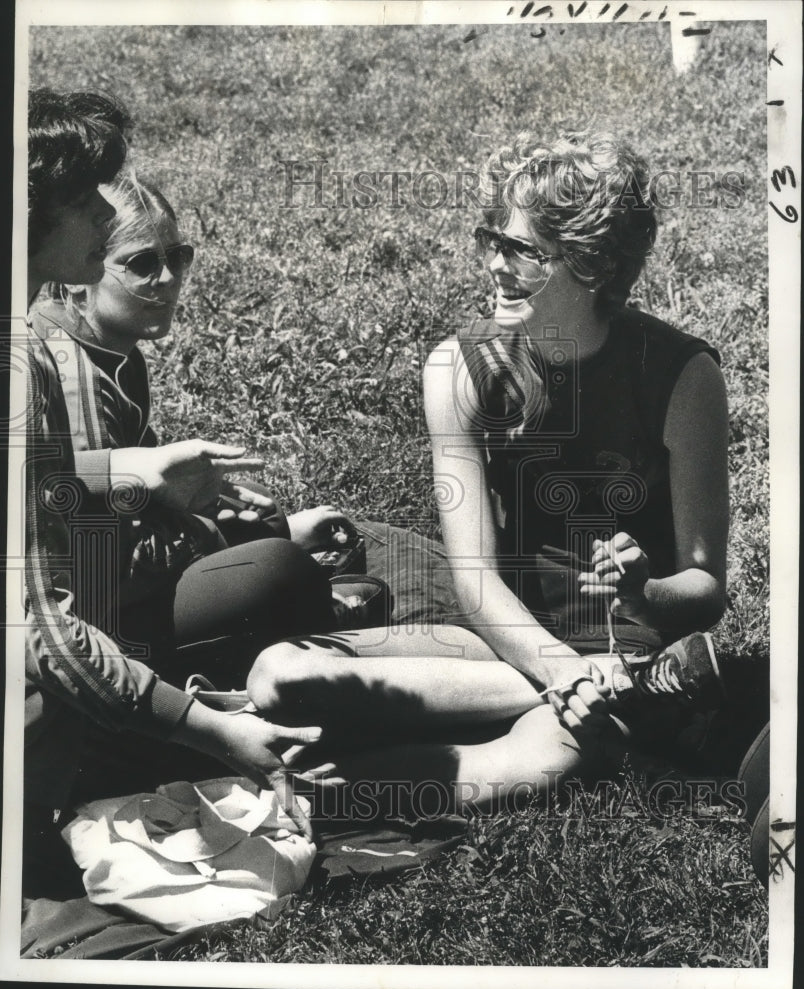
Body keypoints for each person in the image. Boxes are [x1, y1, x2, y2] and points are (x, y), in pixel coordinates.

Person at [245, 125, 729, 814]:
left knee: (540, 759)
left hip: (620, 631)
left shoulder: (683, 377)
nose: (496, 265)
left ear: (591, 264)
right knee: (278, 676)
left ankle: (305, 793)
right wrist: (563, 670)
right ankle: (637, 689)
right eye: (493, 240)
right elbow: (474, 583)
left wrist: (647, 589)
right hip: (502, 634)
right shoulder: (461, 369)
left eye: (524, 251)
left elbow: (707, 590)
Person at [22, 88, 330, 899]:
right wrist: (212, 734)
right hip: (78, 659)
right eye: (85, 199)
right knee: (283, 574)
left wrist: (144, 480)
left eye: (177, 258)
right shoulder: (42, 364)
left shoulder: (86, 355)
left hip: (82, 638)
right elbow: (65, 605)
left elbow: (49, 495)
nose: (165, 279)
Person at [29, 169, 388, 692]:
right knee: (274, 567)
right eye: (143, 264)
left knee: (251, 502)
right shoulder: (76, 376)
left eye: (178, 256)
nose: (169, 278)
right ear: (84, 269)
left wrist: (211, 506)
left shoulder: (112, 350)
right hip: (92, 626)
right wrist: (242, 533)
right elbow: (100, 572)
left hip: (107, 579)